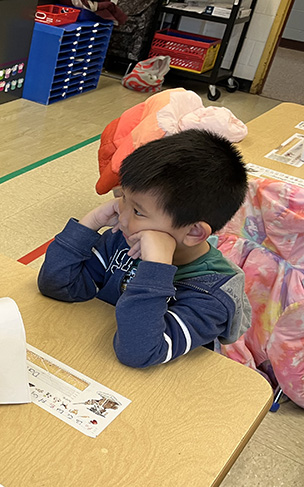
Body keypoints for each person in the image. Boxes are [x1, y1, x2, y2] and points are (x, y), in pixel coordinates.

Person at [37, 129, 252, 368]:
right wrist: (90, 223)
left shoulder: (213, 296)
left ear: (193, 232)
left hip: (166, 392)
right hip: (96, 361)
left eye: (138, 211)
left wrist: (156, 268)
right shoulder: (122, 241)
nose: (123, 217)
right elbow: (57, 285)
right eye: (123, 198)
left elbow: (139, 353)